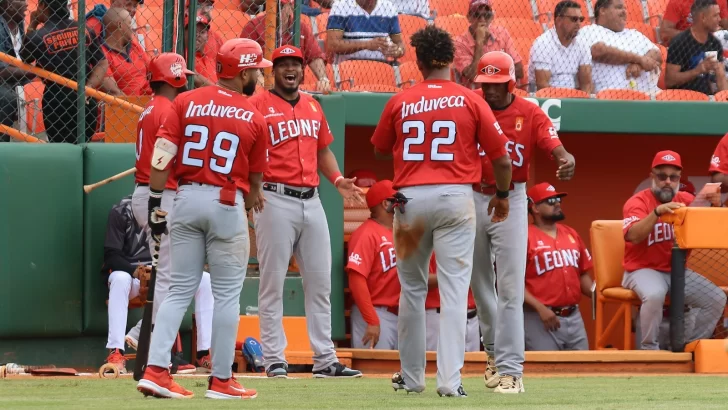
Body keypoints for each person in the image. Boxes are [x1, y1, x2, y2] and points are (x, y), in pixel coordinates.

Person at [371, 25, 512, 397]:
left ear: (418, 61)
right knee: (454, 293)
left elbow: (380, 148)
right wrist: (500, 195)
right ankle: (450, 382)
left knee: (412, 291)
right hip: (455, 197)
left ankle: (413, 377)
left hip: (411, 199)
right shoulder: (470, 99)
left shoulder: (401, 100)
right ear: (452, 60)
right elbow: (501, 159)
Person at [135, 38, 269, 399]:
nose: (259, 74)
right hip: (227, 201)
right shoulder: (255, 116)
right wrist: (252, 196)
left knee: (178, 289)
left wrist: (157, 201)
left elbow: (161, 155)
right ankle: (222, 380)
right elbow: (256, 180)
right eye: (256, 68)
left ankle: (156, 370)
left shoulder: (184, 101)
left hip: (185, 198)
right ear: (242, 73)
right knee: (226, 296)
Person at [249, 45, 364, 379]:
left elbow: (323, 149)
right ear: (273, 72)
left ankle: (325, 358)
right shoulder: (258, 104)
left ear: (303, 70)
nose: (290, 70)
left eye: (295, 65)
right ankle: (274, 358)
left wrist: (338, 179)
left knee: (320, 281)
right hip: (274, 198)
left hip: (311, 198)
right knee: (272, 282)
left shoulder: (313, 105)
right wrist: (251, 188)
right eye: (283, 64)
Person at [471, 50, 575, 394]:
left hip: (512, 196)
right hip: (472, 195)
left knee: (511, 289)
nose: (489, 91)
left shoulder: (528, 110)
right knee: (482, 287)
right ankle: (492, 352)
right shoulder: (473, 106)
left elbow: (552, 143)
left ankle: (512, 370)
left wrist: (564, 157)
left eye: (496, 84)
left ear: (510, 82)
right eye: (485, 84)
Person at [127, 52, 214, 372]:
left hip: (149, 194)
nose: (185, 83)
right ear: (174, 78)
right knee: (170, 278)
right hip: (159, 197)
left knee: (172, 276)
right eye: (183, 78)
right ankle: (151, 343)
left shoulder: (152, 108)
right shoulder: (166, 110)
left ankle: (154, 345)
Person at [622, 150, 726, 350]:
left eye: (673, 177)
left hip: (677, 272)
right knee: (654, 294)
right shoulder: (638, 202)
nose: (667, 181)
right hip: (641, 269)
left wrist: (715, 205)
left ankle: (688, 346)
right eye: (662, 176)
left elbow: (711, 229)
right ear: (652, 177)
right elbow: (633, 236)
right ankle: (649, 350)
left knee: (715, 298)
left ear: (679, 178)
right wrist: (656, 213)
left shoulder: (687, 200)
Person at [101, 194, 214, 375]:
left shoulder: (174, 210)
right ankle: (116, 352)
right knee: (119, 279)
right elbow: (111, 254)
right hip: (133, 278)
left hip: (164, 274)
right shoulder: (121, 210)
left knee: (205, 280)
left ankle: (203, 353)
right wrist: (135, 271)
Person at [20, 0, 108, 143]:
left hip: (56, 102)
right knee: (83, 147)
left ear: (43, 5)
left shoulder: (36, 37)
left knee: (61, 150)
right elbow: (102, 62)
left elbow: (25, 57)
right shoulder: (84, 29)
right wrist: (89, 87)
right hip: (86, 98)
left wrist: (33, 24)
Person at [523, 182, 593, 351]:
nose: (557, 203)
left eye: (558, 199)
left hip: (574, 316)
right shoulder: (524, 237)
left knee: (583, 371)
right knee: (546, 373)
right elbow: (512, 282)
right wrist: (540, 309)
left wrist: (598, 295)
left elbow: (582, 273)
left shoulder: (571, 233)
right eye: (550, 200)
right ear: (535, 208)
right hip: (539, 318)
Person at [346, 179, 400, 350]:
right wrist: (372, 319)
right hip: (376, 314)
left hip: (400, 314)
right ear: (386, 204)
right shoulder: (366, 234)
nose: (401, 206)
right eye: (397, 201)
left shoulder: (399, 232)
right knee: (376, 372)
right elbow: (356, 279)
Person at [240, 0, 331, 93]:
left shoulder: (301, 27)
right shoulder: (253, 26)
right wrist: (264, 84)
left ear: (290, 7)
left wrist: (323, 78)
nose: (276, 10)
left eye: (281, 6)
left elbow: (315, 56)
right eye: (274, 5)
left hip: (293, 87)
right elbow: (248, 61)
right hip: (261, 88)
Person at [577, 0, 661, 94]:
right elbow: (599, 51)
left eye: (625, 8)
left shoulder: (633, 33)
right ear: (603, 10)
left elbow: (656, 52)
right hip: (608, 98)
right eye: (619, 7)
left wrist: (639, 65)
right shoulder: (589, 30)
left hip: (647, 97)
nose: (624, 12)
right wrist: (639, 60)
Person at [454, 0, 524, 90]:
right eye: (477, 15)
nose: (482, 20)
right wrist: (479, 44)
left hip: (503, 92)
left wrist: (488, 73)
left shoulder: (502, 33)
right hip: (476, 95)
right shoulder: (459, 43)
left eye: (486, 15)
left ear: (492, 17)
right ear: (469, 18)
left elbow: (519, 71)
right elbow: (474, 76)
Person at [665, 0, 727, 96]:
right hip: (681, 98)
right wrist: (698, 70)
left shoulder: (715, 43)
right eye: (715, 16)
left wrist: (720, 75)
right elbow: (669, 81)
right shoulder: (679, 42)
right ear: (703, 17)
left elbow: (721, 83)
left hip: (707, 99)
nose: (719, 19)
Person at [529, 0, 592, 93]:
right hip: (548, 98)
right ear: (559, 21)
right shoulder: (543, 43)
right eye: (574, 19)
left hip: (573, 97)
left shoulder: (582, 43)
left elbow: (586, 83)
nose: (579, 23)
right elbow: (543, 86)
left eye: (581, 19)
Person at [426, 254, 480, 352]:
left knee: (474, 364)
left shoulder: (473, 244)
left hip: (472, 317)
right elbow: (422, 279)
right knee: (436, 363)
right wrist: (453, 275)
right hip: (440, 316)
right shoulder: (430, 244)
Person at [325, 0, 405, 63]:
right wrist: (366, 45)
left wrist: (397, 51)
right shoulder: (340, 6)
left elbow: (400, 43)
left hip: (383, 66)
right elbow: (332, 45)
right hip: (348, 67)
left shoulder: (389, 7)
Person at [101, 8, 151, 96]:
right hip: (124, 107)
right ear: (120, 25)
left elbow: (152, 71)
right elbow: (113, 91)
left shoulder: (135, 46)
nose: (132, 28)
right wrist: (136, 107)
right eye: (129, 23)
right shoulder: (102, 52)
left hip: (148, 103)